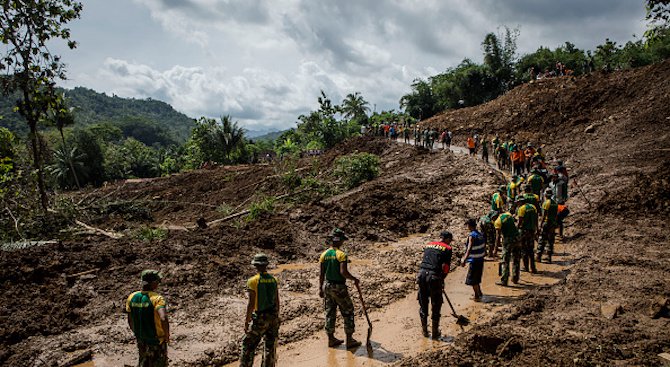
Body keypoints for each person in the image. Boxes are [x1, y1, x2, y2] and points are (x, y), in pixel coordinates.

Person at [319, 228, 362, 349]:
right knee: (348, 311)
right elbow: (343, 272)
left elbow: (321, 274)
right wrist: (354, 279)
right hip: (339, 286)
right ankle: (349, 339)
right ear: (339, 241)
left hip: (327, 286)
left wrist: (320, 288)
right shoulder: (341, 255)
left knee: (330, 311)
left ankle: (331, 339)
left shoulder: (324, 254)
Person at [240, 254, 280, 367]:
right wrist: (277, 317)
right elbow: (277, 301)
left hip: (260, 318)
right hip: (273, 316)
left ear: (255, 266)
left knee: (247, 344)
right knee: (270, 347)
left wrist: (247, 321)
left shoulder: (252, 281)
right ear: (266, 265)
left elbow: (251, 304)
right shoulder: (273, 280)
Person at [126, 270, 170, 367]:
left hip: (141, 340)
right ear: (153, 283)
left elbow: (130, 320)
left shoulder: (132, 297)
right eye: (158, 281)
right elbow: (163, 318)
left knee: (144, 363)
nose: (158, 283)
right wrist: (166, 335)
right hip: (156, 341)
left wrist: (138, 334)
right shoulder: (157, 298)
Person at [417, 231, 453, 339]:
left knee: (423, 302)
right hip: (434, 277)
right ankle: (435, 332)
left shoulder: (429, 244)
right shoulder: (447, 248)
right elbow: (446, 267)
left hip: (421, 275)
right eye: (450, 240)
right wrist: (442, 280)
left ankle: (424, 331)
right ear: (447, 239)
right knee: (436, 303)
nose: (450, 243)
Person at [461, 219, 485, 301]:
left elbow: (469, 248)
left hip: (474, 261)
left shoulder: (472, 236)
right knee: (477, 278)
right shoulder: (480, 234)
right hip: (480, 260)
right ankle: (480, 293)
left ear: (469, 226)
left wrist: (464, 259)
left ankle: (477, 296)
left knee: (472, 280)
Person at [494, 211, 521, 286]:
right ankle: (515, 278)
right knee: (516, 259)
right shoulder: (508, 214)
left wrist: (495, 249)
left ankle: (504, 281)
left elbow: (497, 237)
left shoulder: (497, 222)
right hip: (517, 237)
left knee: (505, 260)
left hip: (508, 240)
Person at [516, 197, 538, 274]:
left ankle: (526, 267)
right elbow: (536, 219)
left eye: (518, 202)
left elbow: (520, 221)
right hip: (532, 231)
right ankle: (533, 268)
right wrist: (537, 229)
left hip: (524, 231)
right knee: (531, 250)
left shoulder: (521, 209)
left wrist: (516, 229)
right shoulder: (533, 207)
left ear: (520, 202)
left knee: (524, 250)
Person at [537, 189, 559, 264]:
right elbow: (556, 215)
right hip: (552, 223)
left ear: (545, 195)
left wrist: (540, 225)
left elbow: (544, 215)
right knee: (550, 240)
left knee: (542, 239)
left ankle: (538, 256)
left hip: (546, 222)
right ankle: (549, 257)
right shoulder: (555, 203)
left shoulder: (546, 203)